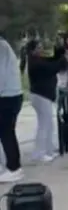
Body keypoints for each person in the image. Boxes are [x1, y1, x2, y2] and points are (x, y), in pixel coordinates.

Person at [22, 39, 67, 164]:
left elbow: (52, 60)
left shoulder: (38, 60)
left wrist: (58, 51)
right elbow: (52, 67)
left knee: (48, 124)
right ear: (32, 50)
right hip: (40, 96)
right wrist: (63, 59)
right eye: (39, 47)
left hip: (43, 96)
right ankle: (39, 153)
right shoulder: (35, 63)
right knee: (44, 125)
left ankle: (48, 150)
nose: (41, 49)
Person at [0, 37, 23, 182]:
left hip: (7, 96)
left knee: (6, 132)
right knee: (6, 132)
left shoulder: (1, 46)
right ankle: (11, 165)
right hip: (11, 94)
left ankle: (14, 168)